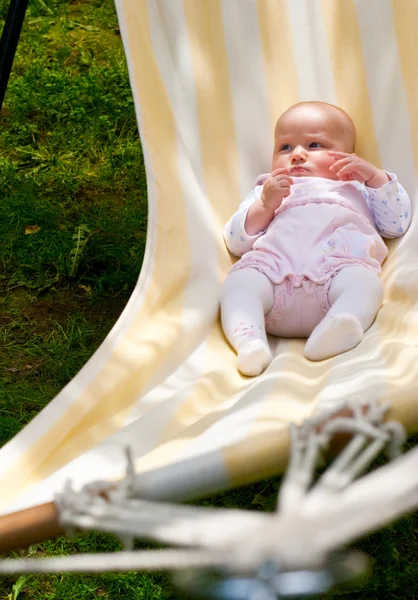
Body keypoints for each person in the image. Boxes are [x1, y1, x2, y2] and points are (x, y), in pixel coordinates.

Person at [221, 101, 411, 376]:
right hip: (272, 277)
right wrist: (265, 205)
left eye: (314, 145)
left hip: (336, 271)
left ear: (349, 156)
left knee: (365, 284)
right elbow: (236, 242)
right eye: (284, 147)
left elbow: (396, 224)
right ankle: (250, 341)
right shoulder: (266, 189)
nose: (297, 154)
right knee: (240, 283)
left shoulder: (359, 187)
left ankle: (339, 325)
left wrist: (375, 176)